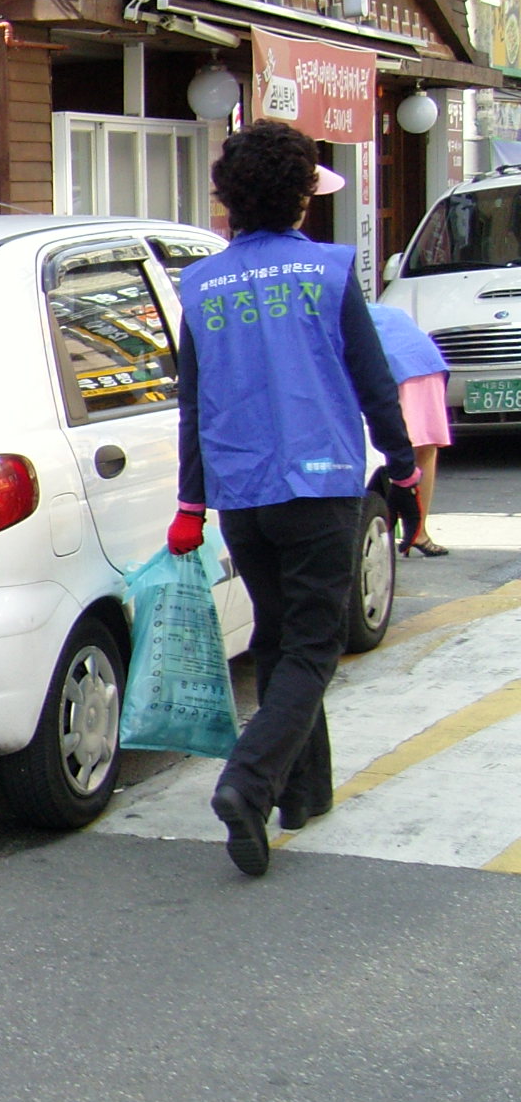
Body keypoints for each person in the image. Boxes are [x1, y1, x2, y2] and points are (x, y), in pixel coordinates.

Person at [168, 122, 420, 878]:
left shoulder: (200, 283)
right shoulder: (332, 273)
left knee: (279, 640)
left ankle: (303, 793)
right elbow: (376, 384)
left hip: (244, 493)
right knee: (314, 648)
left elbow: (193, 402)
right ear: (303, 197)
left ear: (229, 197)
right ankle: (248, 783)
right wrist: (403, 471)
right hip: (320, 485)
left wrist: (192, 502)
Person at [368, 301, 452, 556]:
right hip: (421, 363)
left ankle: (414, 532)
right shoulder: (379, 310)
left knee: (408, 448)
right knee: (421, 448)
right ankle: (414, 531)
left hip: (405, 370)